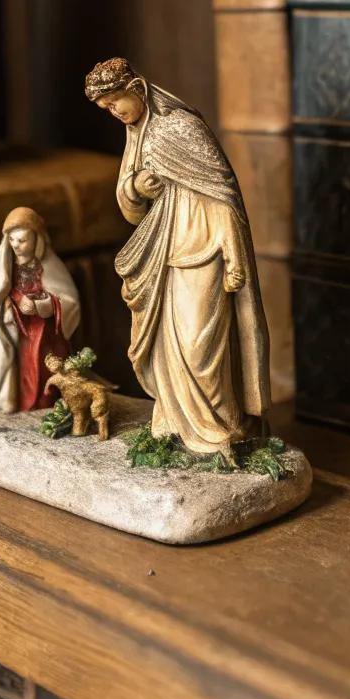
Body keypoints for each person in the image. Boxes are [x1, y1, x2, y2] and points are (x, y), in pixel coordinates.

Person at [85, 56, 269, 458]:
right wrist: (137, 187)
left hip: (203, 246)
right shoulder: (138, 133)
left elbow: (223, 194)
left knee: (200, 344)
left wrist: (233, 253)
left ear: (135, 88)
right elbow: (129, 205)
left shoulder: (181, 127)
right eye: (106, 109)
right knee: (170, 344)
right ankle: (178, 423)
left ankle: (220, 428)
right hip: (164, 250)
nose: (114, 113)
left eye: (115, 102)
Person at [0, 207, 81, 412]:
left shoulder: (49, 266)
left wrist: (41, 305)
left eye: (22, 240)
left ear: (37, 239)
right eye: (12, 240)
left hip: (45, 333)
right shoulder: (4, 266)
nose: (16, 246)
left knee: (45, 369)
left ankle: (46, 405)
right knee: (23, 370)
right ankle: (19, 401)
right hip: (19, 332)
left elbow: (69, 301)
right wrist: (10, 305)